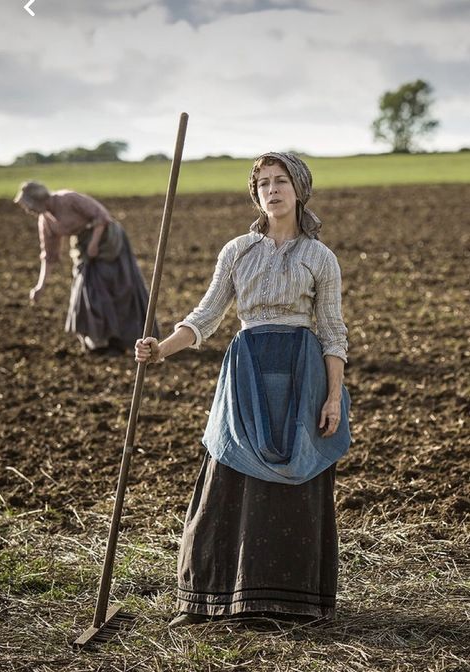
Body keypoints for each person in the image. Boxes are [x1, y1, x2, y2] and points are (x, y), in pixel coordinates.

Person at [135, 152, 351, 627]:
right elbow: (205, 317)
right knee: (227, 472)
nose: (272, 190)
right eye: (264, 184)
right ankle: (208, 601)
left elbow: (333, 332)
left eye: (281, 181)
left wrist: (333, 396)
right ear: (255, 194)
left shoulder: (320, 257)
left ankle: (292, 604)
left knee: (297, 480)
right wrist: (161, 349)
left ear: (299, 190)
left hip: (302, 374)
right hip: (246, 373)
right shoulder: (236, 251)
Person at [14, 181, 158, 354]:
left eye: (28, 206)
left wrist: (94, 243)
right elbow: (49, 255)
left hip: (108, 241)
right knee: (87, 291)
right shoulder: (45, 221)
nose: (28, 210)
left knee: (117, 286)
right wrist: (40, 286)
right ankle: (99, 341)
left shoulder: (68, 199)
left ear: (37, 200)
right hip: (84, 247)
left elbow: (102, 216)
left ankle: (121, 339)